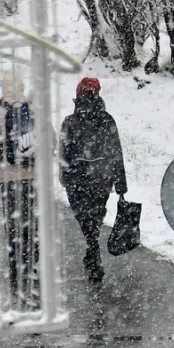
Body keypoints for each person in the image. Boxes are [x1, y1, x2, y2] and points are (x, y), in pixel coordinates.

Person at [60, 76, 126, 288]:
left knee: (84, 216)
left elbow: (64, 154)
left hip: (77, 178)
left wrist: (65, 176)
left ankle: (92, 248)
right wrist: (120, 182)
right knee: (95, 215)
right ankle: (92, 247)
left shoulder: (70, 122)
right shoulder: (107, 119)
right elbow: (116, 151)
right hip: (101, 177)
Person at [0, 71, 37, 307]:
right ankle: (33, 266)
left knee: (13, 224)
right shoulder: (33, 109)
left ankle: (16, 269)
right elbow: (50, 139)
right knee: (32, 222)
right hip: (30, 176)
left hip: (8, 179)